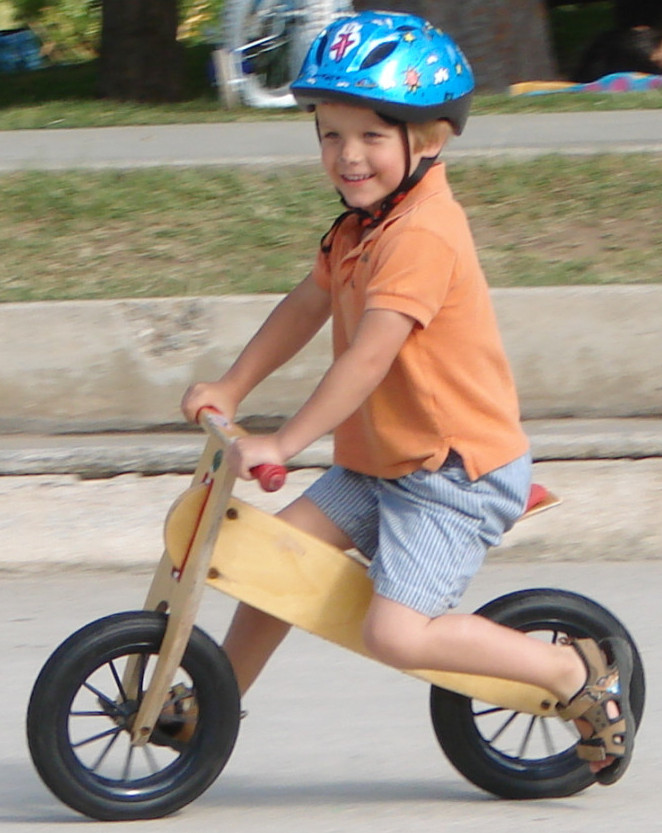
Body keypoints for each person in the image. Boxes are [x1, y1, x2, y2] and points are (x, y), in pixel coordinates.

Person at [182, 11, 634, 785]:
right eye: (330, 134)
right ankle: (211, 706)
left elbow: (366, 360)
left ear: (427, 140)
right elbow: (305, 305)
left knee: (396, 633)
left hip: (451, 473)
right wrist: (230, 386)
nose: (347, 156)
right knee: (272, 564)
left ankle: (572, 673)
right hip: (382, 459)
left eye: (371, 136)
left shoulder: (424, 234)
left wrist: (282, 443)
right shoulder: (361, 226)